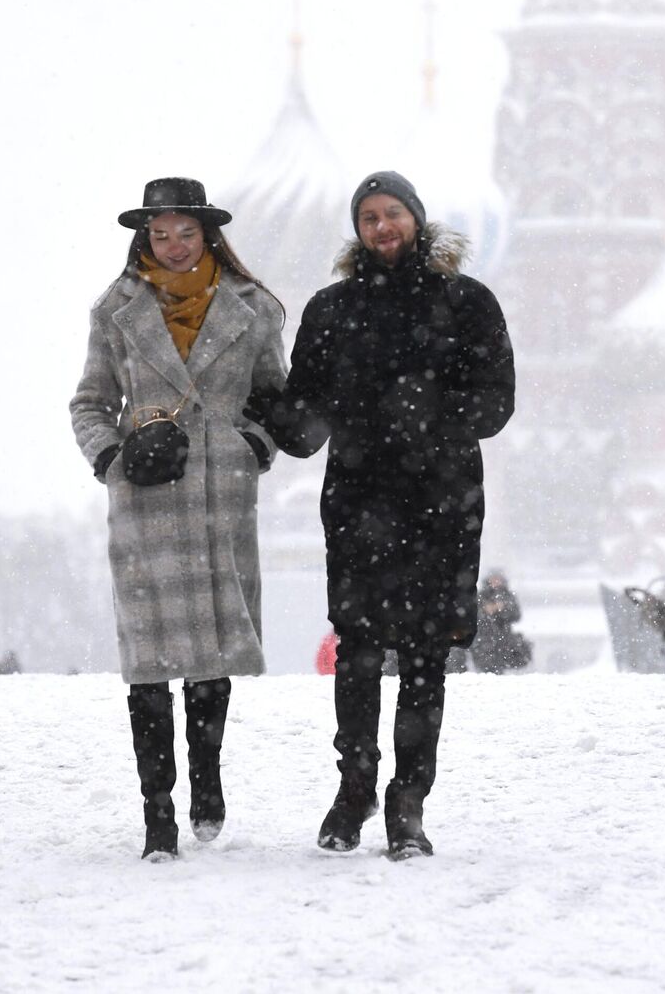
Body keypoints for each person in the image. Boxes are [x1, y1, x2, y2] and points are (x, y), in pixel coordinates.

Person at [248, 170, 515, 860]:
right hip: (360, 503)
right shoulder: (333, 310)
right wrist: (271, 409)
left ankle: (409, 800)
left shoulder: (466, 303)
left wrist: (435, 408)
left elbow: (496, 402)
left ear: (416, 219)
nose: (382, 226)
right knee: (358, 652)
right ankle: (356, 783)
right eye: (369, 217)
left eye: (392, 212)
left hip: (441, 505)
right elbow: (307, 422)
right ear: (358, 229)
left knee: (425, 657)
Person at [70, 177, 286, 861]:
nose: (170, 245)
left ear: (207, 235)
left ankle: (208, 776)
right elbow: (88, 402)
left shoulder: (254, 309)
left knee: (213, 647)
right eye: (158, 234)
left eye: (183, 233)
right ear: (144, 237)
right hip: (146, 496)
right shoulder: (115, 311)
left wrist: (255, 444)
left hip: (221, 491)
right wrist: (115, 456)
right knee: (149, 658)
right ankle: (157, 809)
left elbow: (274, 399)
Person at [471, 570, 530, 674]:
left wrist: (501, 609)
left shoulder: (508, 596)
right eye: (493, 579)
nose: (495, 582)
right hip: (483, 637)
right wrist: (485, 611)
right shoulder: (480, 596)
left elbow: (516, 614)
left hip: (504, 636)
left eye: (498, 579)